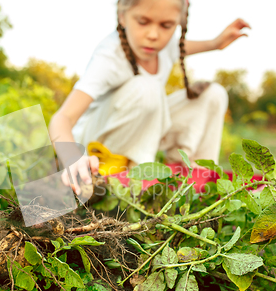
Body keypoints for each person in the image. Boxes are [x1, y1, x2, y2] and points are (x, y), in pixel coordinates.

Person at [48, 0, 251, 195]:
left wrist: (215, 43)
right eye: (143, 22)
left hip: (142, 128)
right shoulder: (110, 56)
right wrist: (73, 158)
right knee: (149, 88)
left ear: (178, 22)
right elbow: (62, 118)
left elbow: (181, 46)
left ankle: (195, 183)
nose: (153, 35)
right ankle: (123, 184)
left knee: (213, 95)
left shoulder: (163, 47)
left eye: (166, 25)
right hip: (95, 148)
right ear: (122, 16)